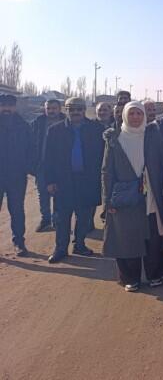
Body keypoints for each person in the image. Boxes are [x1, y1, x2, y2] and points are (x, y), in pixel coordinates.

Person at [102, 102, 163, 292]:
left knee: (153, 236)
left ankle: (155, 274)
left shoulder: (152, 135)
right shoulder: (115, 139)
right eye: (131, 113)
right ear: (124, 115)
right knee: (127, 237)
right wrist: (107, 200)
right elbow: (106, 171)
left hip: (151, 195)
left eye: (139, 113)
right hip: (125, 197)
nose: (135, 117)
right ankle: (130, 278)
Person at [45, 97, 105, 263]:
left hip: (87, 181)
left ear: (84, 110)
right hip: (63, 182)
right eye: (71, 109)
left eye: (79, 109)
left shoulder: (97, 129)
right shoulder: (55, 130)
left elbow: (103, 157)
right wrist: (49, 181)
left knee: (84, 216)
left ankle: (79, 244)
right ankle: (60, 249)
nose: (75, 112)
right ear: (66, 110)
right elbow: (48, 158)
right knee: (62, 217)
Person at [0, 94, 33, 256]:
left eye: (10, 105)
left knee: (17, 210)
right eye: (3, 105)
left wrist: (26, 167)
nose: (6, 108)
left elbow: (30, 149)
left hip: (16, 176)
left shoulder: (24, 126)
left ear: (15, 106)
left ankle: (19, 242)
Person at [30, 99, 65, 232]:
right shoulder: (37, 123)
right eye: (48, 108)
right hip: (42, 165)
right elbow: (30, 144)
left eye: (54, 108)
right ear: (44, 109)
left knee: (59, 194)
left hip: (60, 166)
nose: (51, 111)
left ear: (59, 109)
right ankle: (45, 220)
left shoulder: (66, 123)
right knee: (43, 194)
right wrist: (32, 163)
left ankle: (57, 220)